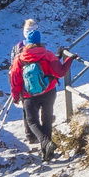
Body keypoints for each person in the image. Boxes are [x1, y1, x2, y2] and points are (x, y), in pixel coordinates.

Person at [7, 18, 77, 160]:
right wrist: (70, 59)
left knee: (32, 122)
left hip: (29, 95)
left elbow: (15, 80)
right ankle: (47, 152)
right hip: (48, 91)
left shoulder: (19, 58)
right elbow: (60, 72)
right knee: (46, 119)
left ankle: (45, 144)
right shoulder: (48, 55)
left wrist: (15, 96)